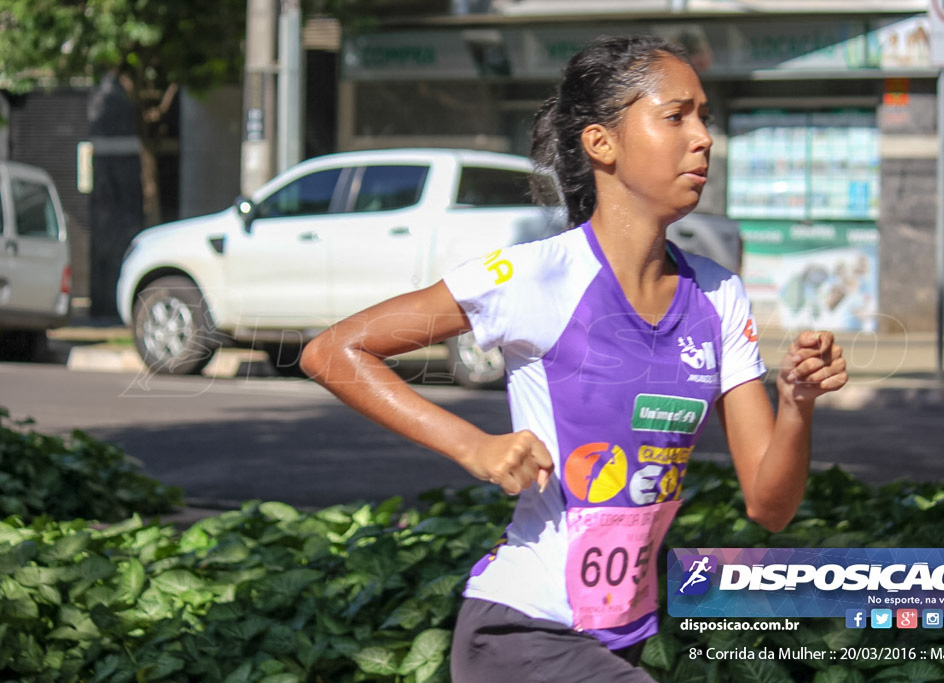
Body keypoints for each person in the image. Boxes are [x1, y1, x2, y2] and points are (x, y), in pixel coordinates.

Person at [300, 34, 848, 683]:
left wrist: (797, 404)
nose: (702, 137)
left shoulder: (720, 296)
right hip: (521, 631)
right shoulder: (536, 277)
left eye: (704, 116)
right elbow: (333, 350)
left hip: (623, 635)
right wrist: (473, 445)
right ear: (602, 143)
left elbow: (770, 506)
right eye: (675, 116)